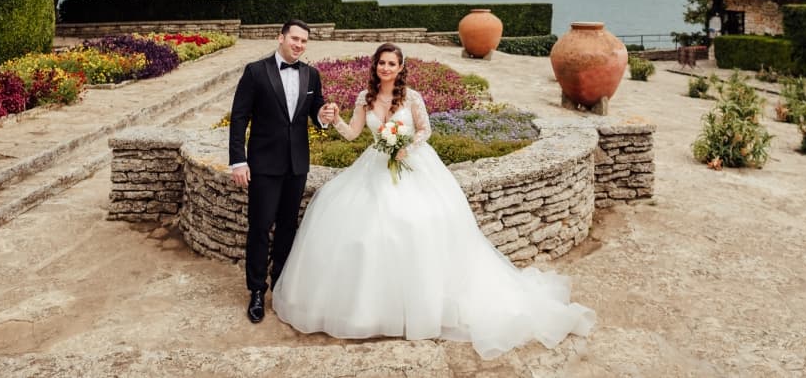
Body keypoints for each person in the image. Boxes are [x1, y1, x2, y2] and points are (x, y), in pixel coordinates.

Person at [272, 43, 595, 360]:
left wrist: (405, 147)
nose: (385, 68)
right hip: (374, 166)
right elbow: (353, 134)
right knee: (357, 224)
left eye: (391, 64)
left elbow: (425, 130)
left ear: (400, 68)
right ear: (375, 67)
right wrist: (334, 119)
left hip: (413, 163)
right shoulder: (364, 98)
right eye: (381, 63)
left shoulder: (412, 97)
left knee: (417, 222)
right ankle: (370, 310)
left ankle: (423, 306)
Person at [229, 19, 339, 324]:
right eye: (295, 39)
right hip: (263, 165)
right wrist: (239, 161)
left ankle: (280, 285)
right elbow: (239, 118)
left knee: (288, 229)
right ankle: (255, 291)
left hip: (297, 165)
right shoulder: (255, 71)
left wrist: (325, 116)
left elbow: (316, 116)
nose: (299, 45)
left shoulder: (311, 74)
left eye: (304, 41)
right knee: (260, 227)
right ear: (281, 38)